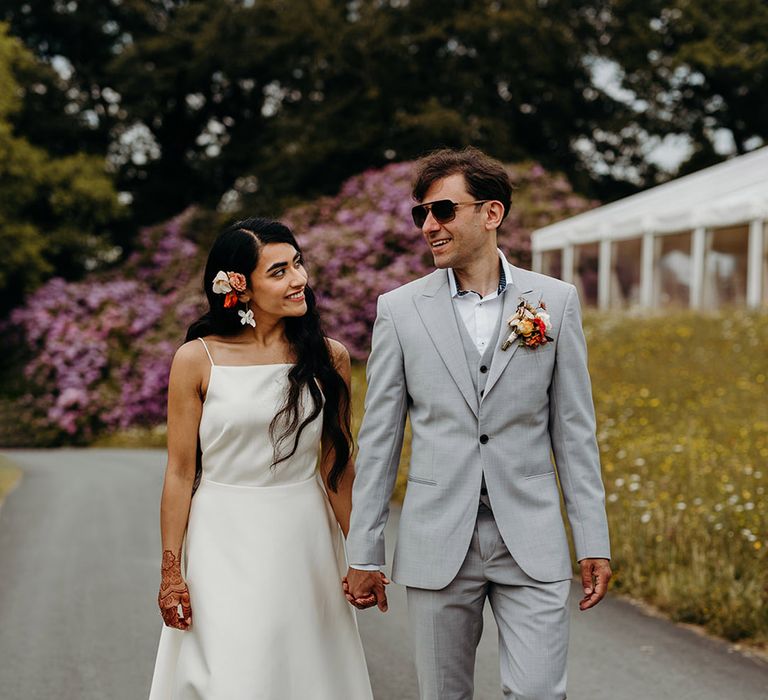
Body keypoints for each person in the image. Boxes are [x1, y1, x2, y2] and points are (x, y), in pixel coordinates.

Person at [344, 148, 612, 699]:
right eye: (420, 214)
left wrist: (592, 538)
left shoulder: (554, 303)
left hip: (531, 539)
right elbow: (380, 441)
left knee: (540, 694)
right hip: (437, 540)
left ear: (492, 213)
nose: (429, 226)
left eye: (443, 210)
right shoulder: (399, 310)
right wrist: (364, 550)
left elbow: (574, 432)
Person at [148, 218, 373, 699]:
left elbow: (336, 465)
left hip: (304, 536)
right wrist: (171, 574)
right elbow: (180, 472)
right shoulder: (197, 359)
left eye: (298, 264)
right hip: (220, 539)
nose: (298, 280)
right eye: (279, 271)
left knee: (304, 674)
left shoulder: (329, 357)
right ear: (240, 287)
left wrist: (364, 555)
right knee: (237, 674)